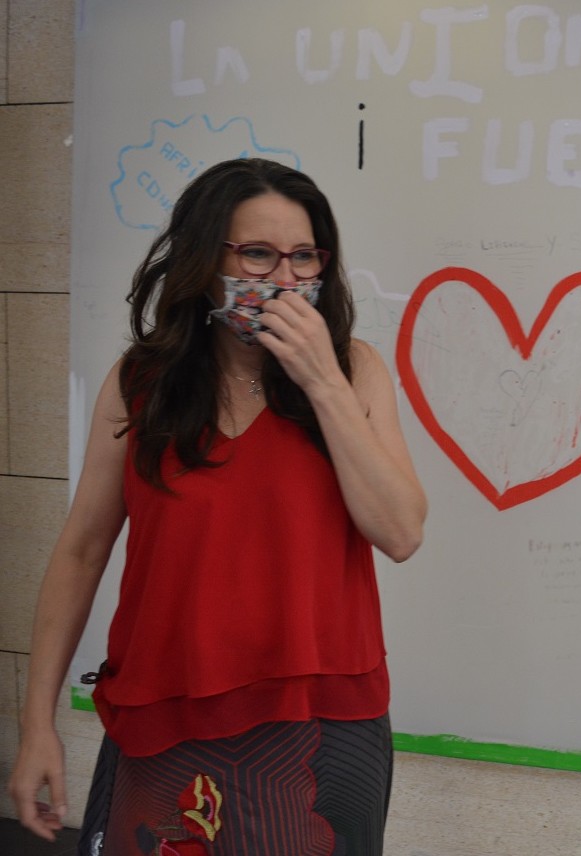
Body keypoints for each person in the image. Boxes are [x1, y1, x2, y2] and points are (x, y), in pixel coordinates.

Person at [8, 158, 428, 855]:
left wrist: (322, 382)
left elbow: (402, 531)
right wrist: (37, 724)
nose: (285, 278)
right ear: (205, 261)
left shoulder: (354, 370)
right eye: (257, 254)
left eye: (304, 256)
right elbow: (82, 550)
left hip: (320, 722)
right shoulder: (141, 382)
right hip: (163, 714)